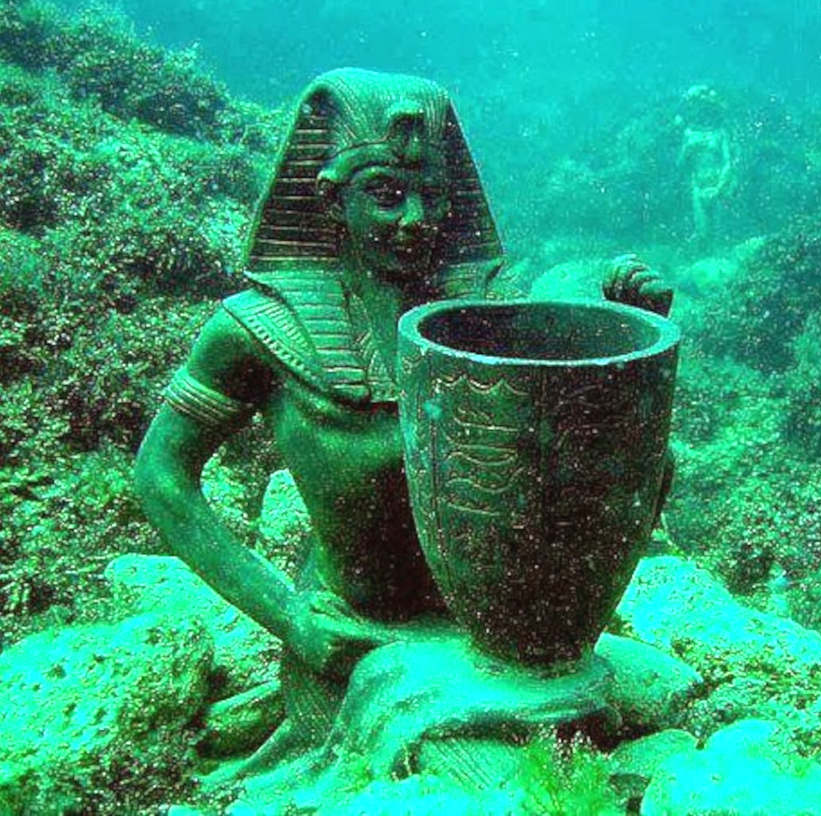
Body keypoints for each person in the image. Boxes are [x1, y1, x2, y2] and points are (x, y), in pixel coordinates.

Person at [134, 69, 670, 758]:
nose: (414, 220)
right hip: (358, 645)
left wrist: (616, 307)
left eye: (431, 196)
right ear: (331, 198)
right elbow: (160, 475)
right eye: (385, 196)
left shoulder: (488, 317)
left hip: (511, 643)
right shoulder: (259, 330)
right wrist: (289, 617)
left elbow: (561, 314)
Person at [676, 84, 735, 248]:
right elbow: (680, 165)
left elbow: (728, 163)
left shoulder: (720, 133)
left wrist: (720, 188)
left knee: (720, 235)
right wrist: (687, 150)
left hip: (719, 187)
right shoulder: (688, 133)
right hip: (697, 187)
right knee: (702, 233)